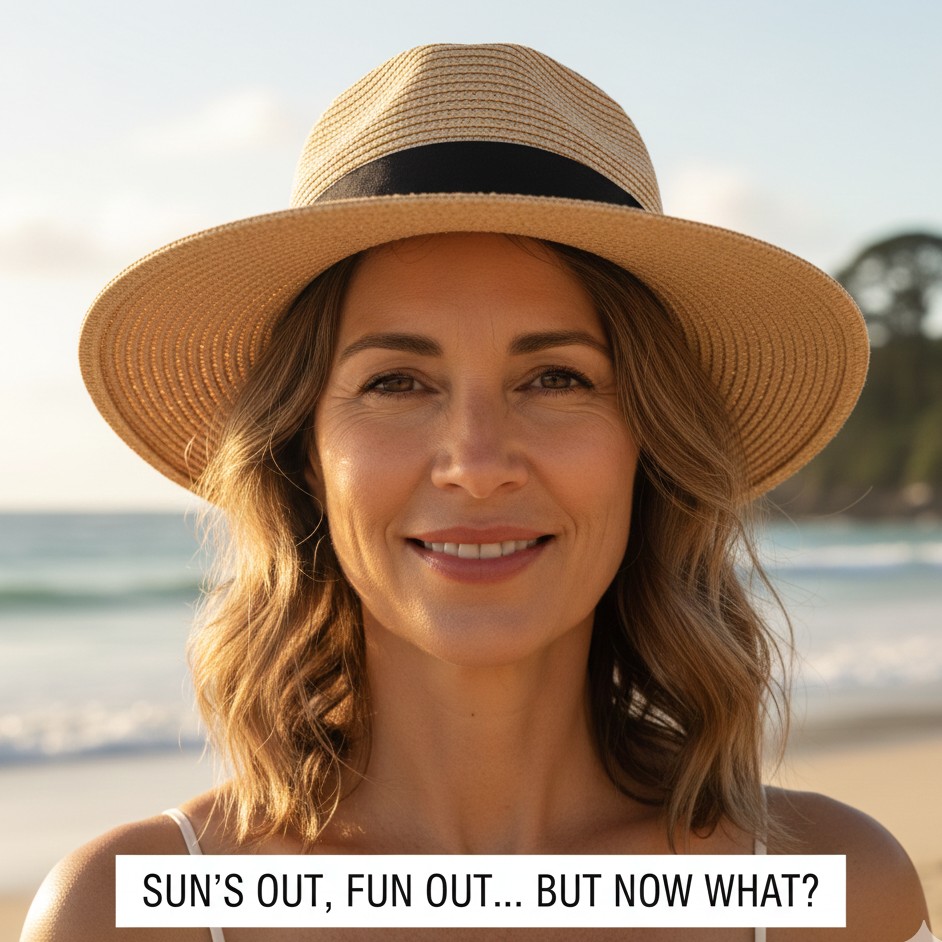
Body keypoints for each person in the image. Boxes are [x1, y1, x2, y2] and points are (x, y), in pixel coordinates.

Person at [23, 43, 929, 941]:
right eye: (396, 383)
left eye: (558, 379)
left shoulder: (836, 896)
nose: (476, 460)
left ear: (647, 446)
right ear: (305, 451)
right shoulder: (128, 913)